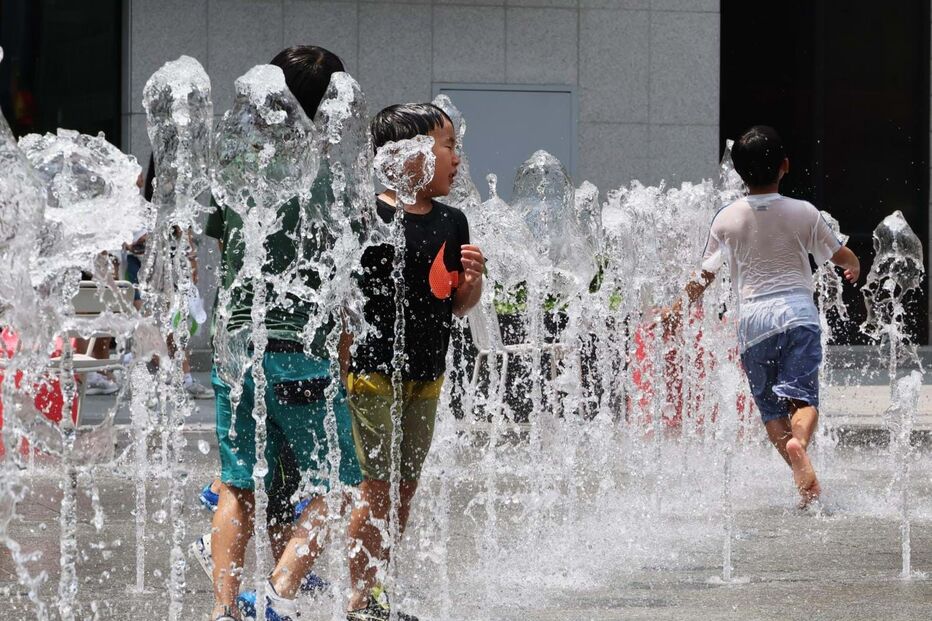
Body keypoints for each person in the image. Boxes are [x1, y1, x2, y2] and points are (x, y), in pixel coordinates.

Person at [206, 45, 362, 621]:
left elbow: (228, 259)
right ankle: (281, 589)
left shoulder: (236, 168)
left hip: (237, 351)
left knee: (239, 484)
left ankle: (225, 611)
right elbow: (346, 284)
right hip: (303, 354)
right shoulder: (338, 178)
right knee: (339, 481)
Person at [345, 103, 484, 620]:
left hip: (426, 374)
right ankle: (360, 600)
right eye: (448, 146)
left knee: (403, 489)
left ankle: (376, 591)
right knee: (376, 486)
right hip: (370, 373)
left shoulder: (453, 220)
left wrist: (471, 285)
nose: (456, 158)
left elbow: (454, 304)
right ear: (409, 152)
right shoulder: (365, 215)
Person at [683, 125, 859, 507]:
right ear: (785, 166)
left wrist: (676, 307)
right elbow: (838, 255)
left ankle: (799, 472)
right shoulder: (804, 212)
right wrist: (855, 263)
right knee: (803, 398)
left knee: (770, 409)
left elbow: (705, 274)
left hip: (754, 324)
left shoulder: (726, 218)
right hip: (798, 315)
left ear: (740, 174)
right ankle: (802, 443)